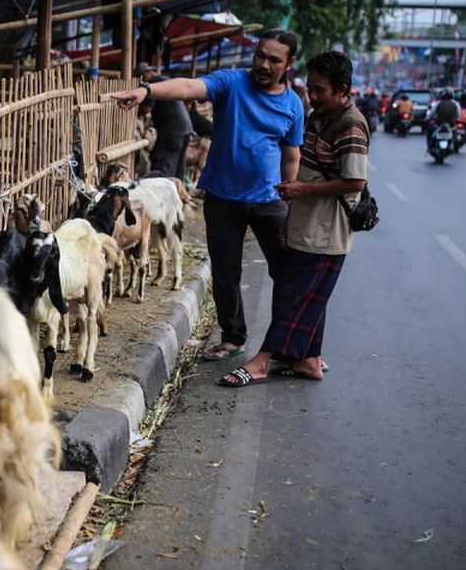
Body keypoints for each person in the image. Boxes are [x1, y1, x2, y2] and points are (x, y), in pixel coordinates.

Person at [111, 30, 305, 361]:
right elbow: (189, 86)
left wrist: (290, 200)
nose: (263, 64)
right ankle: (233, 337)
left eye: (274, 60)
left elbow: (291, 155)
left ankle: (293, 342)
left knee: (287, 272)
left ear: (289, 63)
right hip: (223, 198)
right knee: (226, 272)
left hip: (268, 200)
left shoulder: (292, 105)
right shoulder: (231, 82)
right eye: (260, 55)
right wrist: (147, 89)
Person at [216, 50, 369, 387]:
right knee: (300, 295)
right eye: (310, 88)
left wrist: (301, 191)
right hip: (304, 223)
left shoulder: (350, 124)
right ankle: (309, 361)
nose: (312, 97)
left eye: (320, 91)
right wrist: (291, 212)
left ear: (343, 89)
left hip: (326, 232)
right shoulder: (317, 117)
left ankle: (261, 362)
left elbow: (355, 181)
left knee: (295, 298)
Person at [134, 61, 193, 181]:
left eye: (139, 78)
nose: (139, 83)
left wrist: (133, 111)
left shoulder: (153, 82)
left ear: (145, 74)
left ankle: (161, 196)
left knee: (161, 168)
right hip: (185, 128)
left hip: (172, 130)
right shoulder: (166, 79)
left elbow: (146, 109)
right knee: (176, 169)